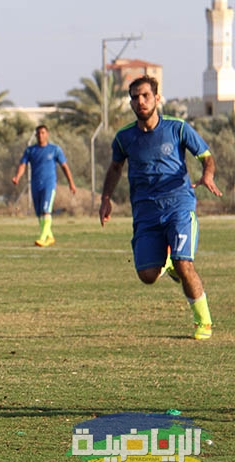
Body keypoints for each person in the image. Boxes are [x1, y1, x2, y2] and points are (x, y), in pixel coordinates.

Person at [99, 75, 222, 340]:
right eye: (134, 97)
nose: (140, 101)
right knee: (147, 275)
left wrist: (208, 174)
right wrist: (105, 198)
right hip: (145, 212)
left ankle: (203, 322)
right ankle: (167, 262)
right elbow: (115, 167)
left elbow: (206, 156)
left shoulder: (177, 128)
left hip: (179, 205)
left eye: (145, 95)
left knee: (184, 263)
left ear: (157, 98)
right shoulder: (124, 137)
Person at [12, 125, 77, 247]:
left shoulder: (55, 150)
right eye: (38, 133)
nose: (40, 135)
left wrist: (71, 183)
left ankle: (42, 238)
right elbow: (23, 165)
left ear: (47, 134)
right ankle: (50, 237)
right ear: (36, 135)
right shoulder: (30, 150)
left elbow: (64, 166)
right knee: (39, 213)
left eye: (43, 133)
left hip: (49, 184)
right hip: (35, 185)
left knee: (46, 210)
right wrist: (17, 177)